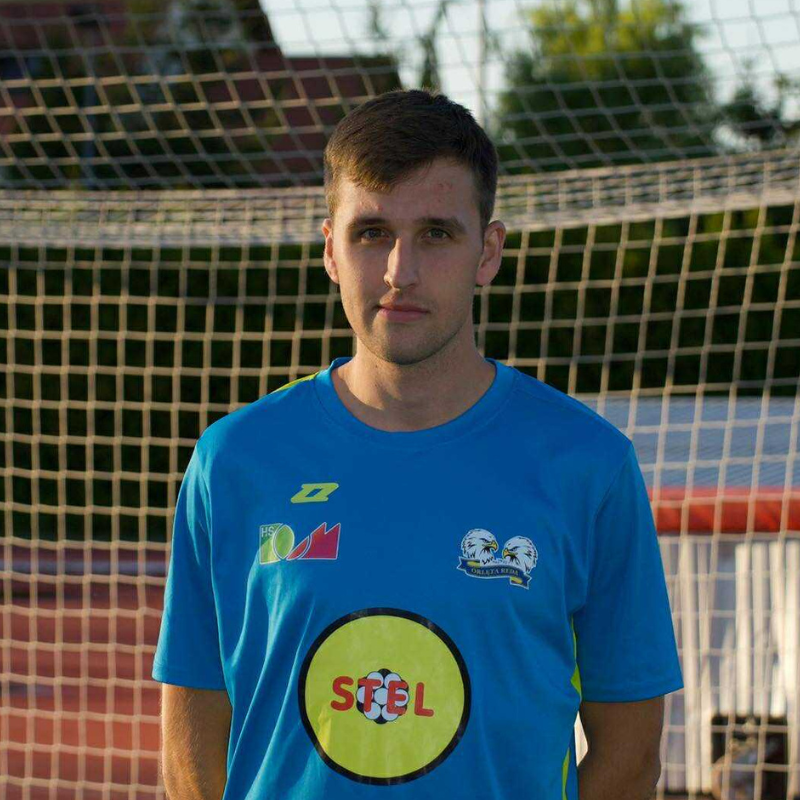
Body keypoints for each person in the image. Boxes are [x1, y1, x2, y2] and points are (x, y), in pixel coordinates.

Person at [152, 88, 683, 800]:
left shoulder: (589, 465)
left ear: (487, 252)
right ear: (330, 251)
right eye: (371, 232)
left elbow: (631, 756)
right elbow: (190, 749)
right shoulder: (234, 461)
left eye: (436, 233)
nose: (400, 272)